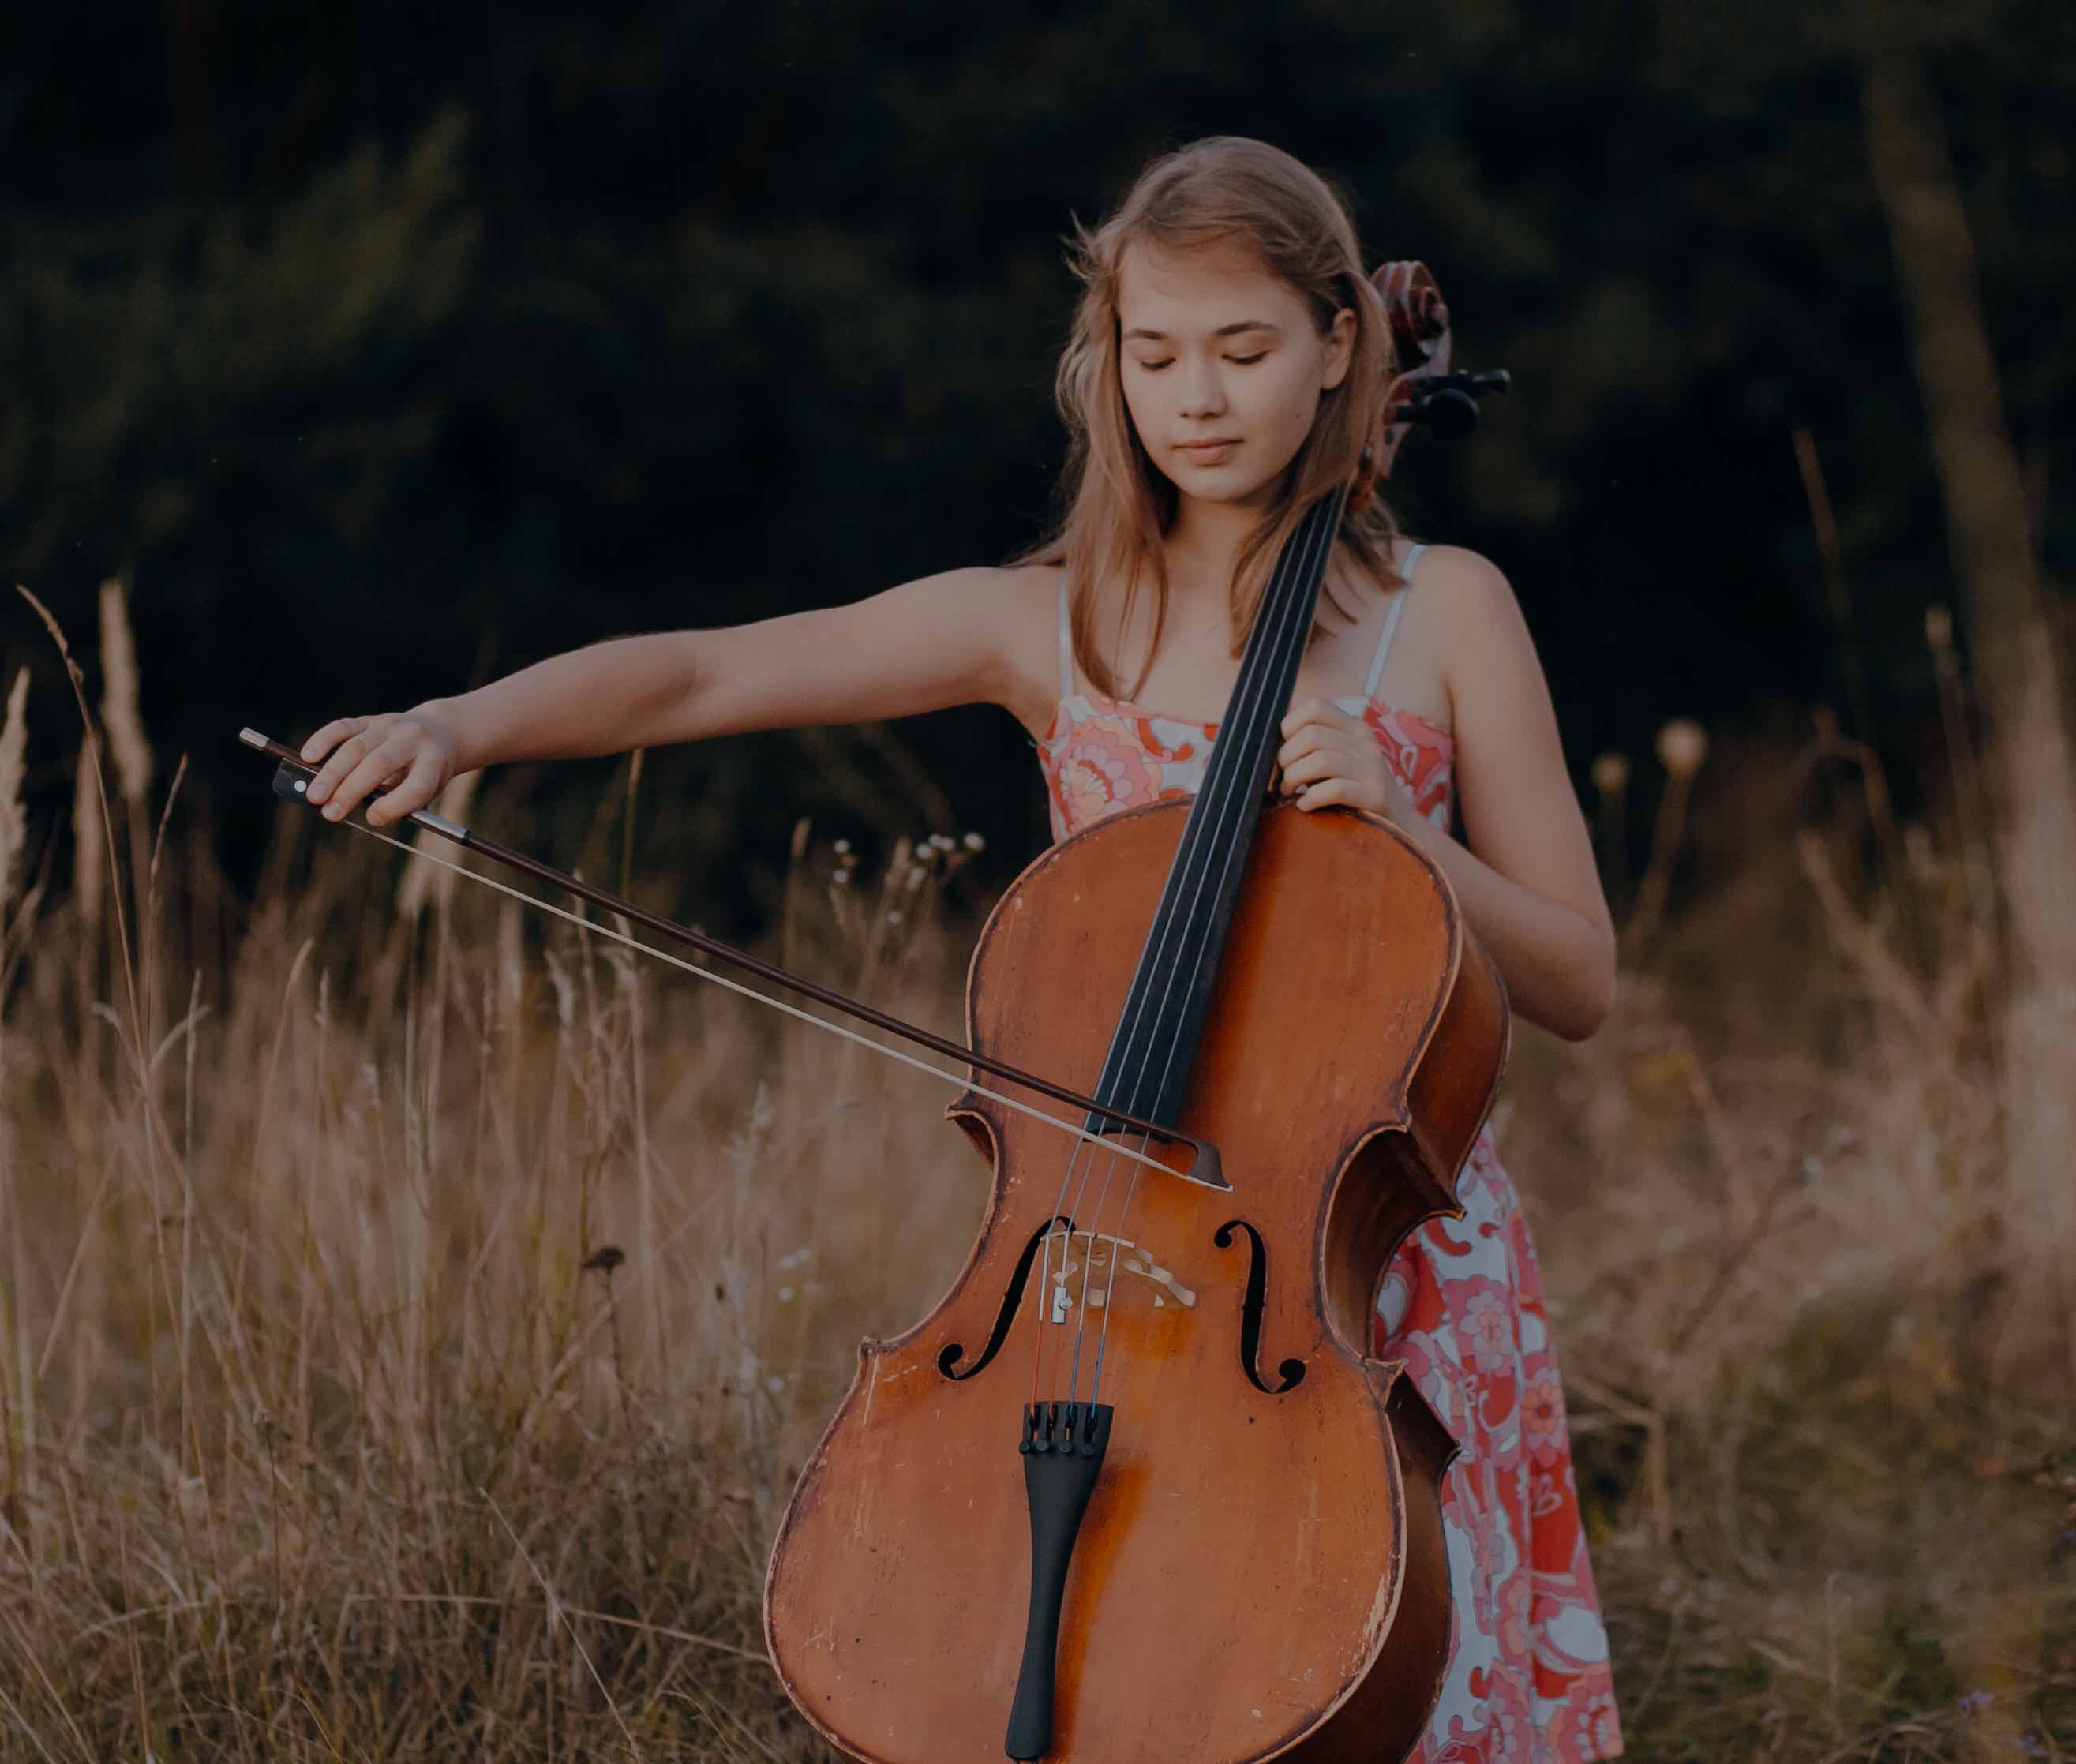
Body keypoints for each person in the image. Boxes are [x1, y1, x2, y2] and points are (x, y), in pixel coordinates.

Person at [298, 134, 1628, 1763]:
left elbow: (1573, 977)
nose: (1196, 397)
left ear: (1344, 346)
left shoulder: (1449, 611)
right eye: (1154, 354)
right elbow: (710, 676)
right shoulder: (1048, 624)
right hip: (1103, 1276)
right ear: (1108, 364)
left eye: (1244, 348)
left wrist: (1418, 842)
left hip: (1382, 1283)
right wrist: (456, 723)